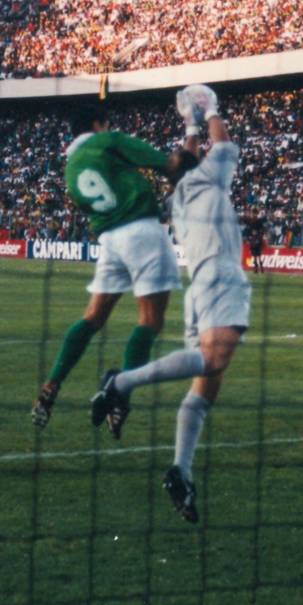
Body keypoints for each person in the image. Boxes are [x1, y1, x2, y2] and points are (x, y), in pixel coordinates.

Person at [90, 85, 247, 523]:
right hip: (220, 277)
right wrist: (210, 109)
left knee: (207, 383)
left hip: (200, 286)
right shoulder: (207, 178)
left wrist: (190, 127)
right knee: (212, 362)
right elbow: (224, 145)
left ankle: (181, 471)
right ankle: (121, 383)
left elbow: (186, 157)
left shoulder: (178, 194)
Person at [31, 103, 187, 429]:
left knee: (93, 317)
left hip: (110, 240)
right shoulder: (107, 140)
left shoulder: (71, 168)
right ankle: (120, 397)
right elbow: (168, 164)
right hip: (143, 232)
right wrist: (187, 161)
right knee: (150, 320)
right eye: (106, 124)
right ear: (98, 124)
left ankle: (52, 383)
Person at [243, 208, 267, 273]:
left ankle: (259, 269)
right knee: (256, 255)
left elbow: (262, 228)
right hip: (254, 238)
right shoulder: (253, 223)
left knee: (257, 255)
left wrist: (260, 234)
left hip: (257, 237)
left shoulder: (257, 222)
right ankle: (259, 269)